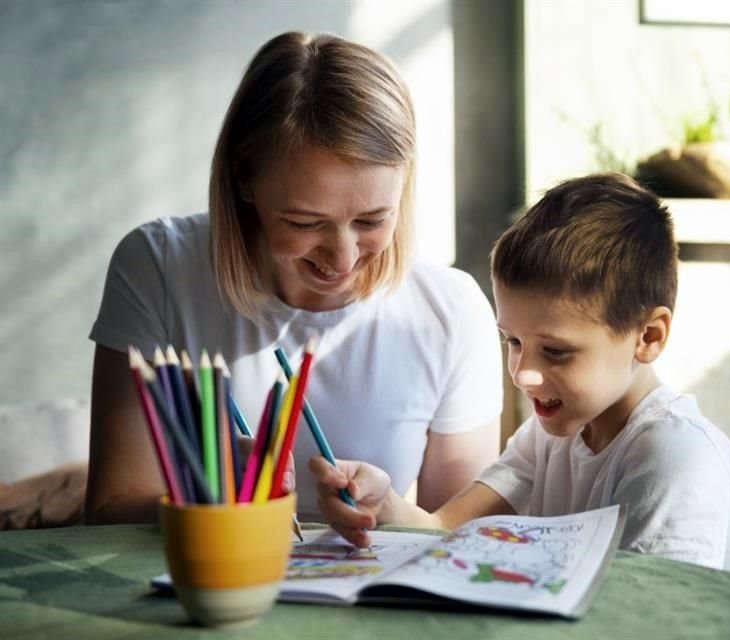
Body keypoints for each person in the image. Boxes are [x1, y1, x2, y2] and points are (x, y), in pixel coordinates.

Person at [85, 32, 502, 524]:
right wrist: (208, 501)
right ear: (243, 178)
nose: (342, 257)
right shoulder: (158, 267)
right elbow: (110, 511)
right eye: (305, 223)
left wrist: (390, 512)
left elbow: (457, 534)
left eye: (371, 220)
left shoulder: (450, 309)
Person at [311, 173, 730, 573]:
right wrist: (382, 501)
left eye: (555, 352)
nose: (523, 375)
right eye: (514, 342)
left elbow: (651, 622)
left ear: (649, 336)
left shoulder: (673, 456)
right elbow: (444, 528)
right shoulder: (548, 438)